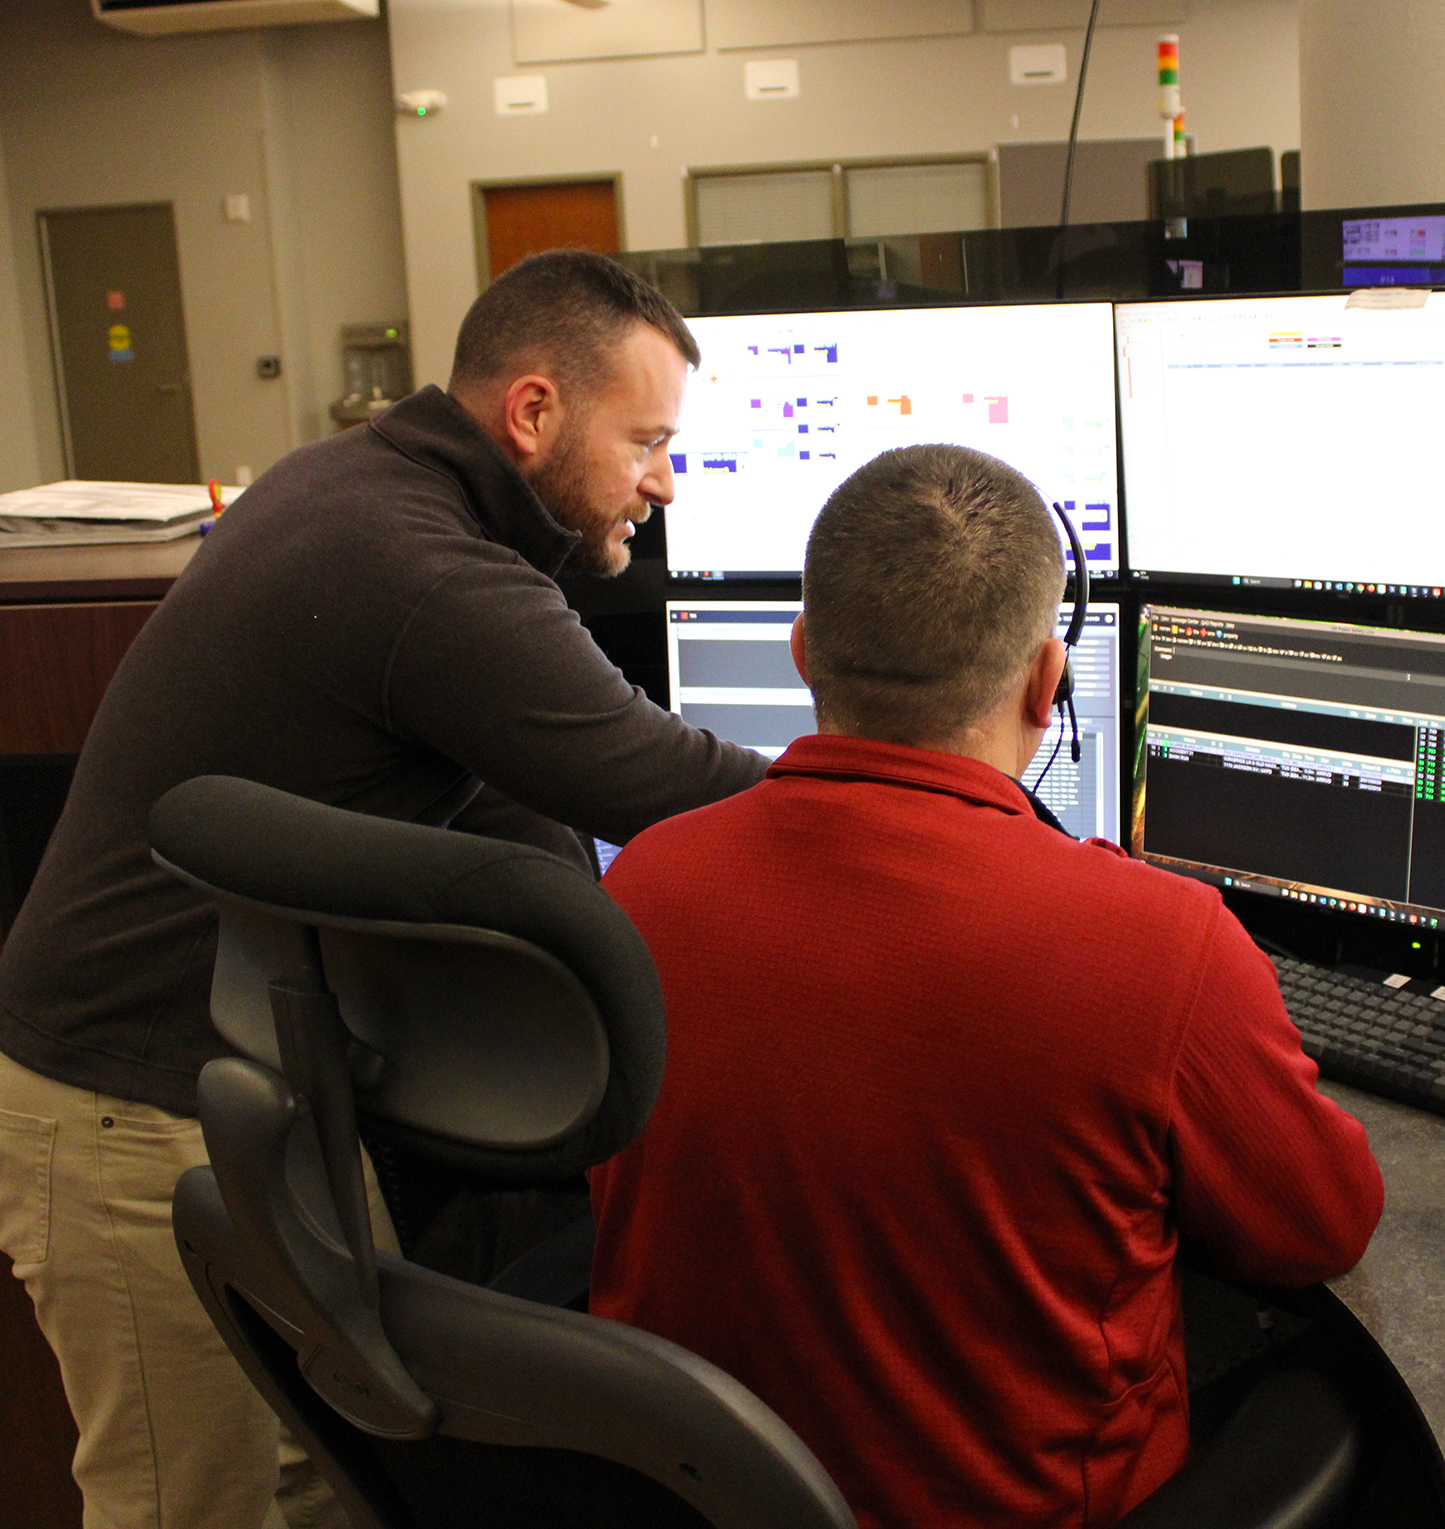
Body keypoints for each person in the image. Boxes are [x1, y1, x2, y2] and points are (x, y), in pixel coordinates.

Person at [0, 250, 767, 1529]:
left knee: (338, 1478)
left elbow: (520, 803)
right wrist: (927, 791)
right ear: (535, 412)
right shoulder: (425, 564)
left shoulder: (361, 484)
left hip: (240, 1084)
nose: (663, 484)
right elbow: (661, 777)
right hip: (115, 1106)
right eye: (648, 442)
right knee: (191, 1508)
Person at [588, 444, 1385, 1529]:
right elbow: (1318, 1229)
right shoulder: (1157, 943)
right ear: (1047, 682)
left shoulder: (643, 883)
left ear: (801, 652)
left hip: (697, 1496)